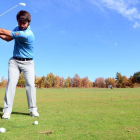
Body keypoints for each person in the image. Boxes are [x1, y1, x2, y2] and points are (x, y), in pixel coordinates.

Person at [0, 10, 39, 119]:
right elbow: (8, 39)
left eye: (24, 23)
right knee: (11, 84)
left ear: (28, 22)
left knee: (30, 85)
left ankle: (33, 110)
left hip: (28, 63)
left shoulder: (27, 34)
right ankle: (7, 111)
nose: (21, 25)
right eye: (20, 23)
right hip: (14, 62)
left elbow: (3, 30)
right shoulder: (17, 28)